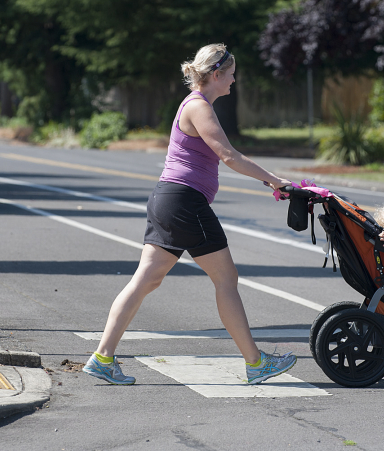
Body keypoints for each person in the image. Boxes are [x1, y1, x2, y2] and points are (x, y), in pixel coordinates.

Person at [83, 43, 297, 386]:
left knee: (145, 281)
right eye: (230, 74)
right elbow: (228, 155)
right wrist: (273, 180)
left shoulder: (195, 104)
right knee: (226, 279)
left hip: (168, 200)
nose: (234, 80)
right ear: (216, 75)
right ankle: (256, 363)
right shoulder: (199, 107)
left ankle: (102, 358)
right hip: (184, 203)